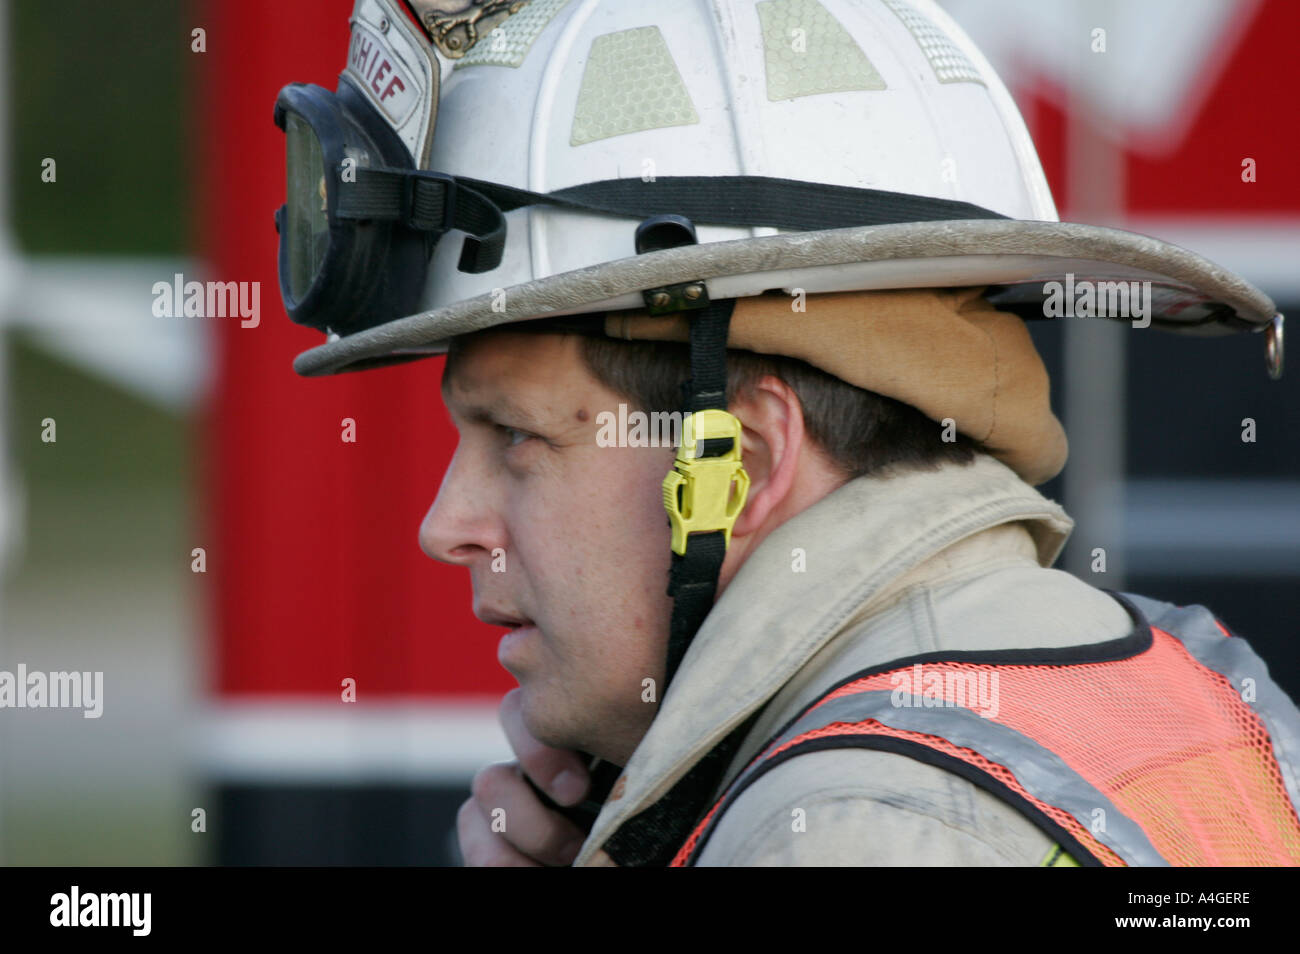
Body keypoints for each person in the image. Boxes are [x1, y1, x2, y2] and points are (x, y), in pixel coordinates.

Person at [275, 0, 1298, 865]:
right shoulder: (1208, 693)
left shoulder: (852, 832)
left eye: (516, 437)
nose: (446, 524)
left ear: (741, 460)